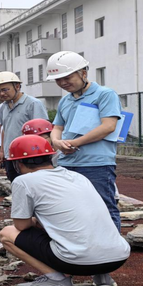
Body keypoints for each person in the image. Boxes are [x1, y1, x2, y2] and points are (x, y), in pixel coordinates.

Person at [0, 135, 130, 286]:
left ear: (17, 164)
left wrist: (35, 221)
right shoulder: (77, 176)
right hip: (118, 258)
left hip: (76, 262)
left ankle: (57, 280)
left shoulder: (24, 181)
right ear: (50, 158)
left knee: (7, 234)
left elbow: (21, 226)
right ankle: (102, 277)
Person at [47, 51, 123, 232]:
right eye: (58, 79)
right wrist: (57, 142)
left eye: (67, 77)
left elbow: (108, 126)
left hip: (96, 163)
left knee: (103, 206)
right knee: (72, 208)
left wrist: (75, 143)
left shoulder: (104, 94)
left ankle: (112, 250)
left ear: (83, 72)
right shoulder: (65, 100)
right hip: (66, 163)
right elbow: (57, 127)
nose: (63, 83)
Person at [0, 71, 48, 182]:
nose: (1, 94)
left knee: (31, 186)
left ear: (17, 86)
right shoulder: (3, 107)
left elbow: (43, 132)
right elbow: (5, 130)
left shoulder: (33, 104)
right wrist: (2, 151)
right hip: (10, 156)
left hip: (29, 157)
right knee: (15, 185)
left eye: (5, 89)